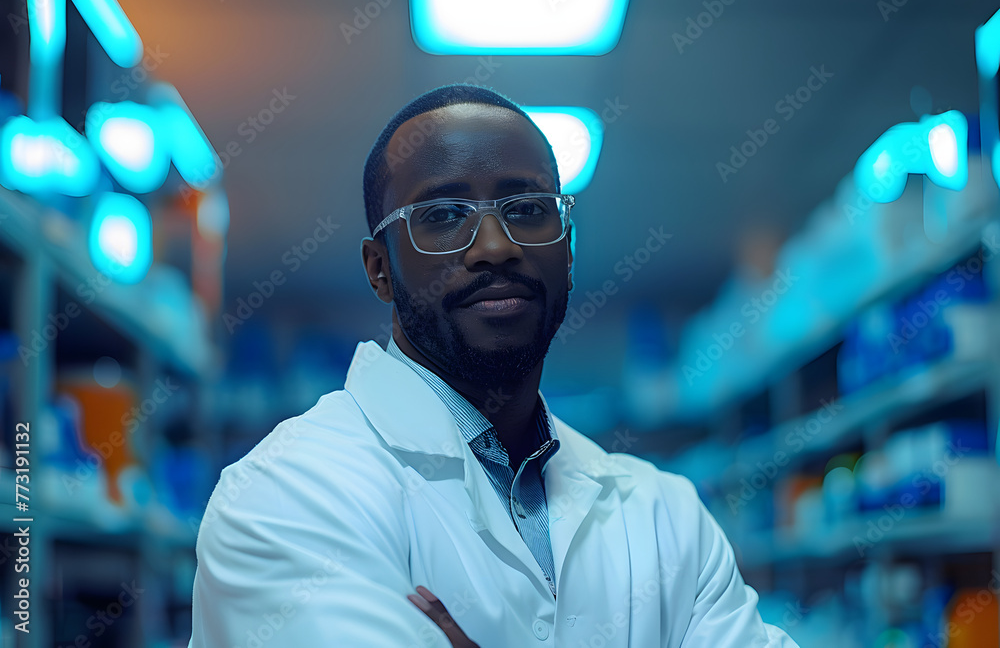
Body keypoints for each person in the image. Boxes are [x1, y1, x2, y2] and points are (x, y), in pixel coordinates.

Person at [188, 84, 799, 647]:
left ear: (568, 247)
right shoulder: (287, 494)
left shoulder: (665, 515)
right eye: (443, 216)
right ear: (379, 269)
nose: (496, 247)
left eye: (527, 208)